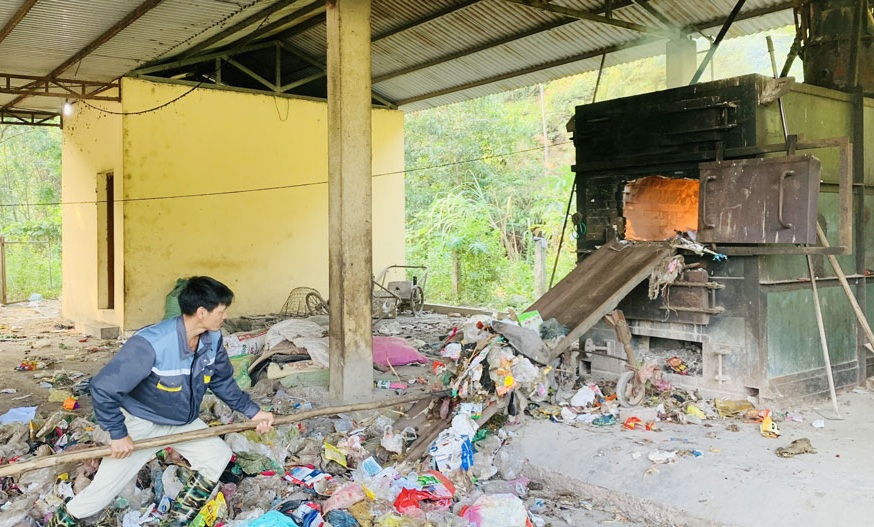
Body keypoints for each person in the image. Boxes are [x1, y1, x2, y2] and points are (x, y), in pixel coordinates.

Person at [47, 276, 274, 527]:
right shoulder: (151, 343)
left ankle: (176, 521)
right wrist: (118, 433)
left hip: (181, 420)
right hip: (140, 423)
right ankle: (56, 523)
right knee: (101, 494)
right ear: (201, 312)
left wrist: (253, 412)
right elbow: (103, 388)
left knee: (216, 455)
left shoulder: (213, 339)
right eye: (221, 311)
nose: (225, 316)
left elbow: (221, 382)